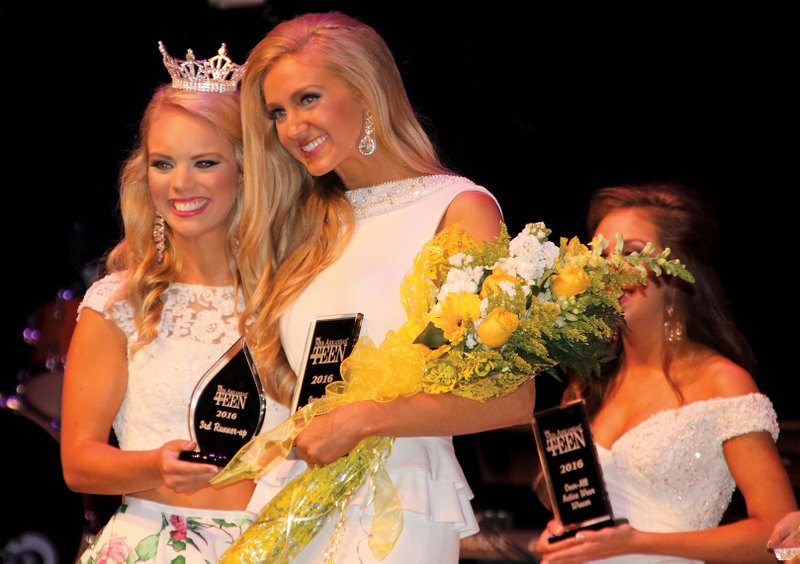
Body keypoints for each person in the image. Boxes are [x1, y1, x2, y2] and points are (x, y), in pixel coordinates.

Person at [233, 11, 536, 563]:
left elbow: (514, 396)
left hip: (397, 499)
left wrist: (364, 419)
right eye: (277, 112)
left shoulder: (457, 209)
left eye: (308, 99)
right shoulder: (306, 225)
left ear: (367, 91)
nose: (291, 127)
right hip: (295, 496)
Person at [59, 42, 281, 562]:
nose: (181, 183)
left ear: (246, 171)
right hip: (153, 544)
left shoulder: (293, 296)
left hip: (280, 545)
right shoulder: (117, 302)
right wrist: (156, 465)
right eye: (164, 163)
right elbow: (78, 462)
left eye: (205, 162)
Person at [532, 181, 797, 563]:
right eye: (601, 255)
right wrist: (561, 540)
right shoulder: (586, 389)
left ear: (676, 272)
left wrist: (638, 543)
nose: (611, 268)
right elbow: (582, 520)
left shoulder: (720, 382)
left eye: (631, 251)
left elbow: (785, 540)